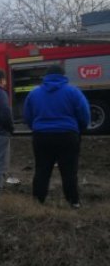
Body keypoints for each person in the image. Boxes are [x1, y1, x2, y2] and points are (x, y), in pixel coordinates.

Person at [23, 64, 90, 208]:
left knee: (42, 169)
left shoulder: (34, 93)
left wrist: (36, 128)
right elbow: (84, 114)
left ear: (46, 77)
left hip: (41, 136)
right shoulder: (73, 92)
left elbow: (27, 116)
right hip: (67, 136)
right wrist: (79, 129)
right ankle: (73, 202)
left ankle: (38, 201)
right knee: (69, 171)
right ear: (63, 76)